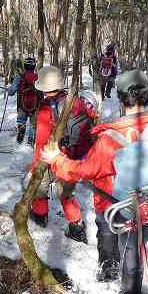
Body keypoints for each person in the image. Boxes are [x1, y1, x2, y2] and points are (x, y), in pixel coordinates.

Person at [40, 69, 148, 294]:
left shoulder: (110, 137)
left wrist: (56, 160)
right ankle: (128, 292)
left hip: (113, 205)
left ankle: (115, 280)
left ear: (120, 98)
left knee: (109, 235)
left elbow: (84, 170)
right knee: (134, 247)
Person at [27, 65, 99, 243]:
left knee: (40, 183)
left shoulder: (45, 109)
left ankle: (40, 215)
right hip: (73, 157)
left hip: (55, 156)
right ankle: (76, 226)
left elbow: (41, 144)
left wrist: (35, 166)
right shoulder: (74, 101)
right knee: (65, 192)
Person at [7, 56, 40, 146]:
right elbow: (41, 93)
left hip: (22, 105)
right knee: (33, 123)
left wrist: (9, 90)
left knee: (21, 119)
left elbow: (11, 92)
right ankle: (31, 140)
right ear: (34, 66)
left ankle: (20, 136)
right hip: (35, 105)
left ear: (24, 66)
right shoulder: (38, 78)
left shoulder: (19, 77)